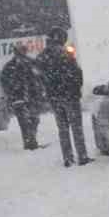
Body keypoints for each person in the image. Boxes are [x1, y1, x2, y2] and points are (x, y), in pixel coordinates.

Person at [37, 26, 90, 167]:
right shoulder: (66, 53)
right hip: (70, 96)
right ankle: (82, 156)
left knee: (63, 129)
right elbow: (77, 73)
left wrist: (49, 91)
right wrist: (76, 88)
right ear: (61, 38)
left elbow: (40, 76)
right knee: (76, 127)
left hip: (54, 98)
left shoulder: (43, 55)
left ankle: (68, 158)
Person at [0, 44, 46, 150]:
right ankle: (29, 142)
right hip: (18, 98)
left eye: (23, 50)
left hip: (33, 97)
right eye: (20, 51)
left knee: (34, 119)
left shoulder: (32, 63)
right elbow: (4, 82)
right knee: (24, 122)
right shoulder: (10, 66)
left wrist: (40, 90)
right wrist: (12, 92)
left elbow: (41, 77)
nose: (22, 53)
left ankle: (32, 139)